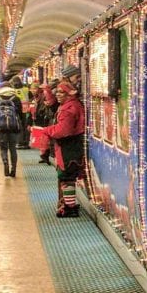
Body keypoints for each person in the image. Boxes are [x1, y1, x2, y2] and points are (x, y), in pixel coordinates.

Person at [34, 79, 85, 217]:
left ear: (69, 94)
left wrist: (46, 130)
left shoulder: (69, 109)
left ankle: (69, 207)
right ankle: (68, 205)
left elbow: (63, 130)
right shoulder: (71, 105)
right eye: (57, 92)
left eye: (61, 92)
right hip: (71, 146)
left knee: (66, 176)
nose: (58, 95)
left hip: (68, 147)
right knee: (66, 176)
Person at [0, 80, 24, 178]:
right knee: (13, 148)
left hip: (1, 128)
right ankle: (13, 169)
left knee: (3, 148)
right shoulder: (16, 97)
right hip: (13, 127)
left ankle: (5, 163)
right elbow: (21, 114)